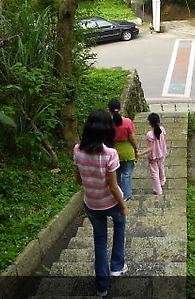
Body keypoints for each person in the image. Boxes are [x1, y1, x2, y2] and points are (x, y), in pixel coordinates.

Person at [73, 109, 129, 297]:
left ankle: (102, 287)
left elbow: (78, 180)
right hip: (111, 203)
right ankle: (117, 266)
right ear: (107, 130)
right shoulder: (110, 154)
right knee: (120, 225)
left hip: (92, 204)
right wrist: (123, 205)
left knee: (99, 240)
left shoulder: (77, 149)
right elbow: (114, 187)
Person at [108, 99, 139, 200]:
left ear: (109, 110)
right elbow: (132, 138)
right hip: (127, 151)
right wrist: (136, 149)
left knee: (116, 174)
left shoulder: (107, 123)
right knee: (127, 174)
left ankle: (118, 194)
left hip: (113, 151)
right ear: (120, 109)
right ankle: (127, 195)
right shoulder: (127, 122)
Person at [137, 113, 167, 195]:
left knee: (154, 173)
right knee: (161, 167)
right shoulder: (162, 129)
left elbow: (150, 148)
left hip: (153, 156)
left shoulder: (149, 134)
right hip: (162, 153)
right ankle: (162, 180)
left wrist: (140, 154)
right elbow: (164, 141)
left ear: (149, 123)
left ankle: (158, 190)